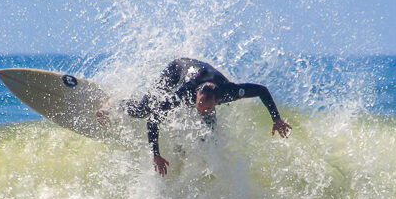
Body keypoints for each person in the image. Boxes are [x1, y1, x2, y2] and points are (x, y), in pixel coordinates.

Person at [99, 58, 291, 176]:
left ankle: (189, 161)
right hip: (176, 71)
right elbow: (153, 119)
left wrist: (276, 119)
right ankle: (114, 104)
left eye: (208, 108)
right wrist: (155, 154)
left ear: (217, 101)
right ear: (197, 96)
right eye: (200, 106)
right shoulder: (182, 93)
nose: (202, 111)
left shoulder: (230, 91)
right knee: (144, 110)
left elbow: (261, 90)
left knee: (208, 134)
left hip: (206, 77)